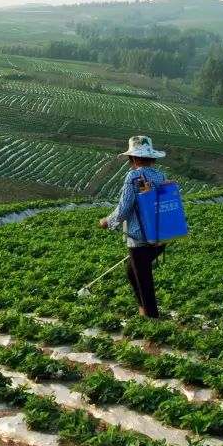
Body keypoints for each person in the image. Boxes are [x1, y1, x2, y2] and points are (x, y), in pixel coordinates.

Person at [98, 135, 167, 318]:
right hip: (160, 235)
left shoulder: (134, 176)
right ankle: (143, 309)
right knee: (132, 271)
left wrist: (107, 221)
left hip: (139, 237)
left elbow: (124, 208)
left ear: (133, 159)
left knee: (143, 279)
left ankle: (152, 318)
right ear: (152, 158)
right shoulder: (160, 176)